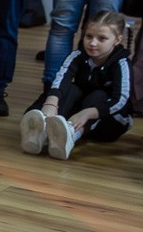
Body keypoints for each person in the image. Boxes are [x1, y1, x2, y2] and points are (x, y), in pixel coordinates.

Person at [20, 11, 131, 159]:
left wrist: (87, 113)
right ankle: (43, 131)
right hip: (78, 112)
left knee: (98, 95)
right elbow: (60, 79)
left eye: (102, 38)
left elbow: (120, 100)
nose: (93, 43)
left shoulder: (121, 63)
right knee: (69, 90)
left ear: (117, 40)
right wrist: (51, 104)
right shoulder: (77, 55)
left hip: (108, 121)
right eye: (89, 36)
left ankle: (71, 136)